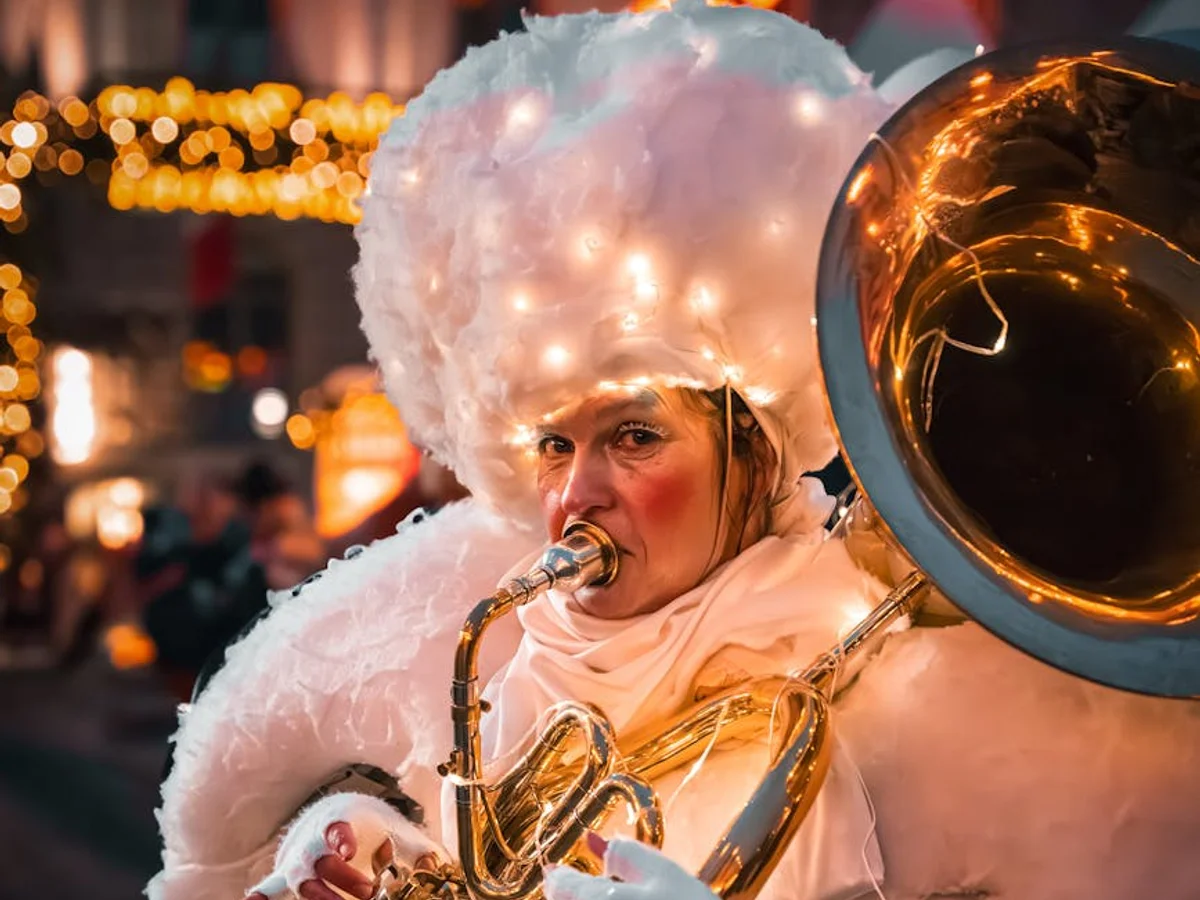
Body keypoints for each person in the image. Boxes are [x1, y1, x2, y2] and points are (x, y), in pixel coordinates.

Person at [150, 5, 1200, 900]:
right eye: (552, 444)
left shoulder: (928, 699)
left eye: (636, 437)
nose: (573, 493)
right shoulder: (467, 628)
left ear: (749, 451)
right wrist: (343, 834)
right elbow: (287, 784)